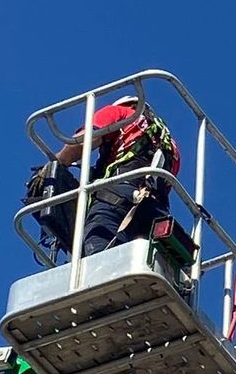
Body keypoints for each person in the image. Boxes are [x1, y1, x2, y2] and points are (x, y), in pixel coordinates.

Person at [56, 95, 181, 256]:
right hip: (156, 211)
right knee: (140, 268)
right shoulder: (171, 147)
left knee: (99, 257)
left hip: (118, 198)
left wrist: (57, 162)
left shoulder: (120, 113)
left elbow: (86, 139)